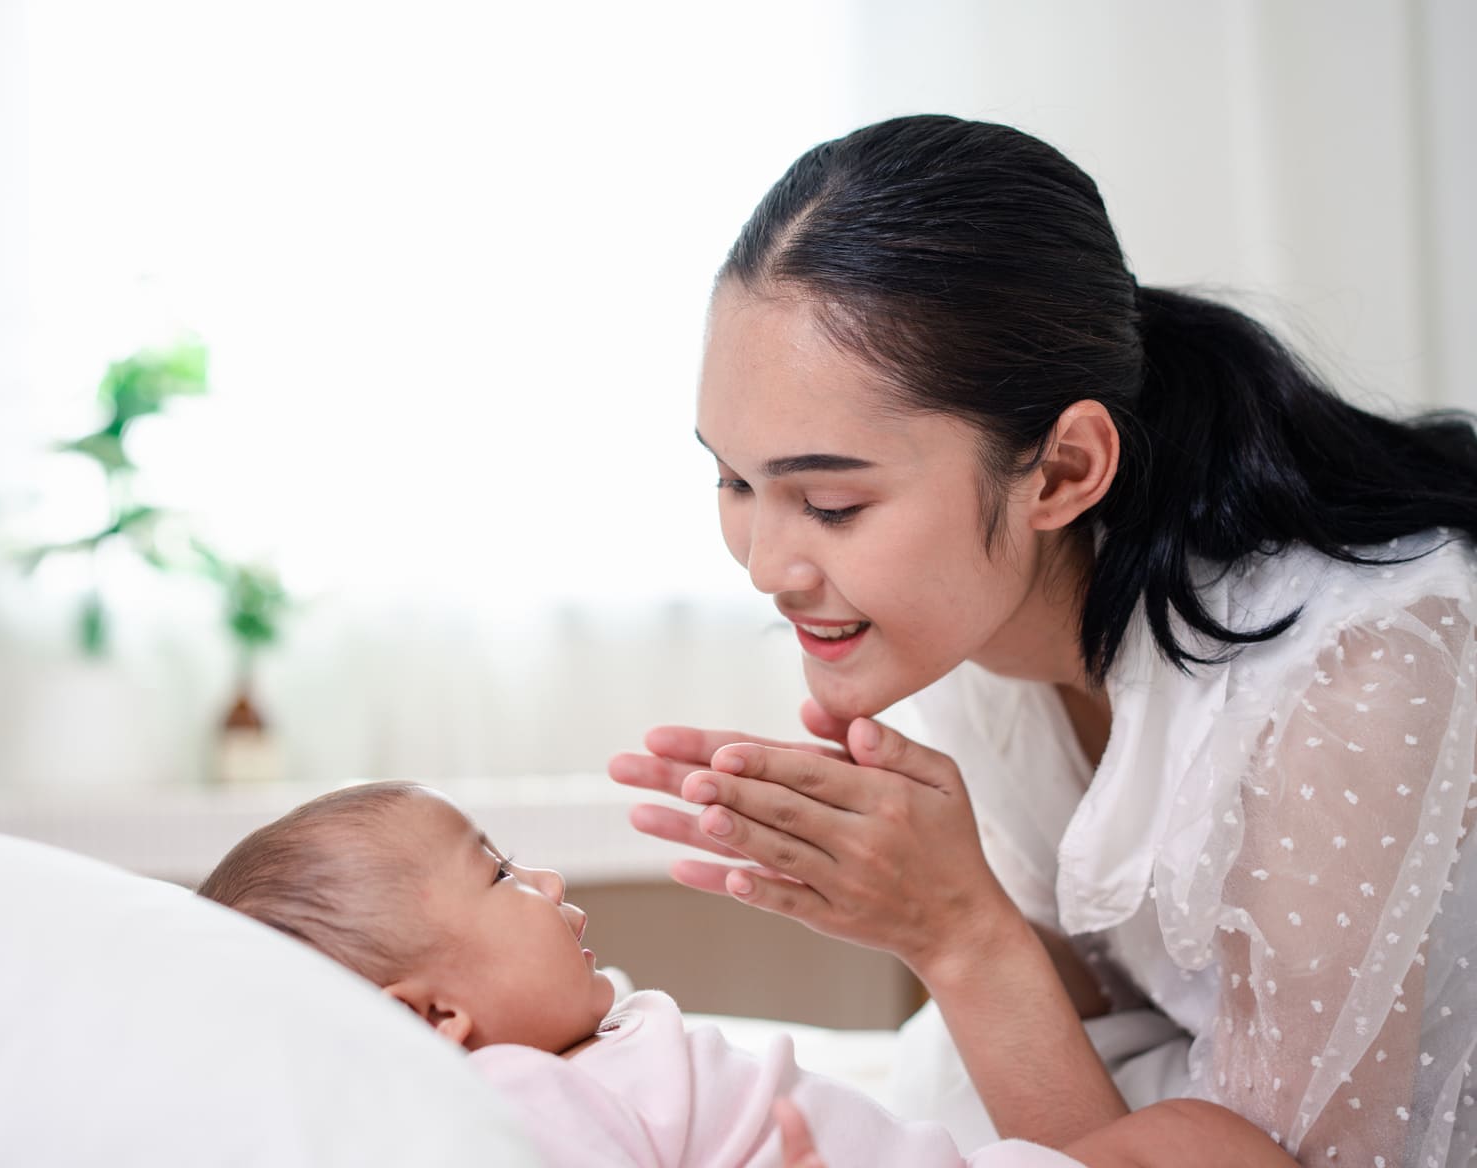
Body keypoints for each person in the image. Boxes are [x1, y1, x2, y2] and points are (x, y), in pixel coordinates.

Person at [606, 114, 1477, 1168]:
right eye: (733, 481)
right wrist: (896, 889)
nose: (765, 565)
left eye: (831, 504)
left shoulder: (1352, 676)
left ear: (1064, 472)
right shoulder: (972, 609)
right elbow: (1133, 987)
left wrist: (958, 932)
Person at [197, 780, 1297, 1168]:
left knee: (1203, 1138)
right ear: (438, 1015)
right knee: (1207, 1145)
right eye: (498, 873)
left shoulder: (579, 1053)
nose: (544, 877)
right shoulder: (521, 1097)